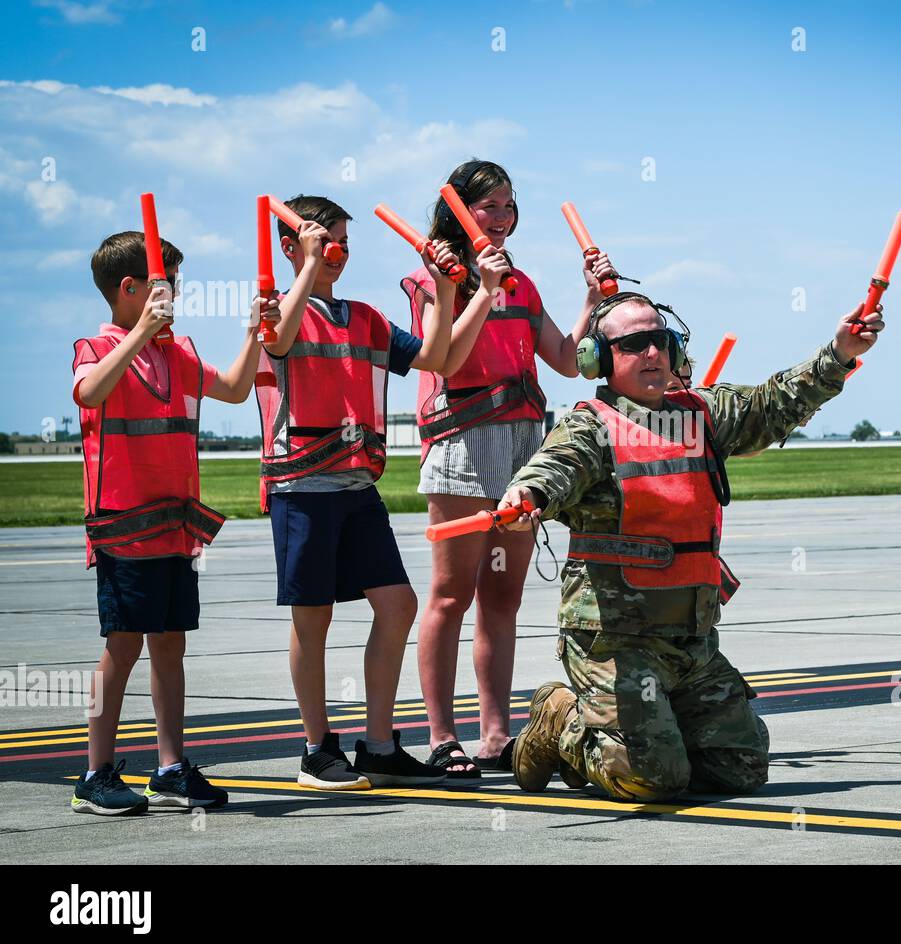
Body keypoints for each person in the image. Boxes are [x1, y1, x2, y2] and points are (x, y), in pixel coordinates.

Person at [498, 291, 887, 801]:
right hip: (616, 645)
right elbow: (552, 470)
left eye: (659, 341)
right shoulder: (589, 426)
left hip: (692, 642)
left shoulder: (703, 414)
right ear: (598, 358)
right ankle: (561, 719)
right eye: (634, 345)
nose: (653, 354)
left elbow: (773, 403)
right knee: (651, 780)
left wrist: (839, 354)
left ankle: (646, 728)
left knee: (739, 769)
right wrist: (528, 495)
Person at [400, 160, 614, 781]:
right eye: (488, 206)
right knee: (449, 595)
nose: (501, 218)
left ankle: (495, 731)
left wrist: (591, 302)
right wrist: (479, 288)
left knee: (503, 596)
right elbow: (447, 359)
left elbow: (568, 362)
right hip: (463, 447)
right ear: (459, 214)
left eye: (508, 206)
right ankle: (443, 735)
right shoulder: (432, 281)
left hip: (524, 449)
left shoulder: (521, 282)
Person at [256, 195, 451, 790]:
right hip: (302, 486)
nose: (337, 250)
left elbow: (438, 355)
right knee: (311, 619)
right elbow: (280, 342)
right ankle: (316, 749)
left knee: (397, 604)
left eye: (342, 241)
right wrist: (308, 269)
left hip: (357, 485)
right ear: (291, 247)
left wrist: (444, 293)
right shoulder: (275, 309)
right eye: (324, 239)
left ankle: (379, 744)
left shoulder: (363, 317)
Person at [71, 229, 268, 814]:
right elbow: (88, 392)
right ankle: (95, 774)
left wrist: (254, 330)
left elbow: (233, 389)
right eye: (166, 286)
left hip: (174, 529)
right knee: (123, 645)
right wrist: (138, 334)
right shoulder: (96, 346)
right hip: (124, 529)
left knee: (170, 646)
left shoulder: (175, 354)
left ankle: (171, 766)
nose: (174, 297)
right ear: (129, 290)